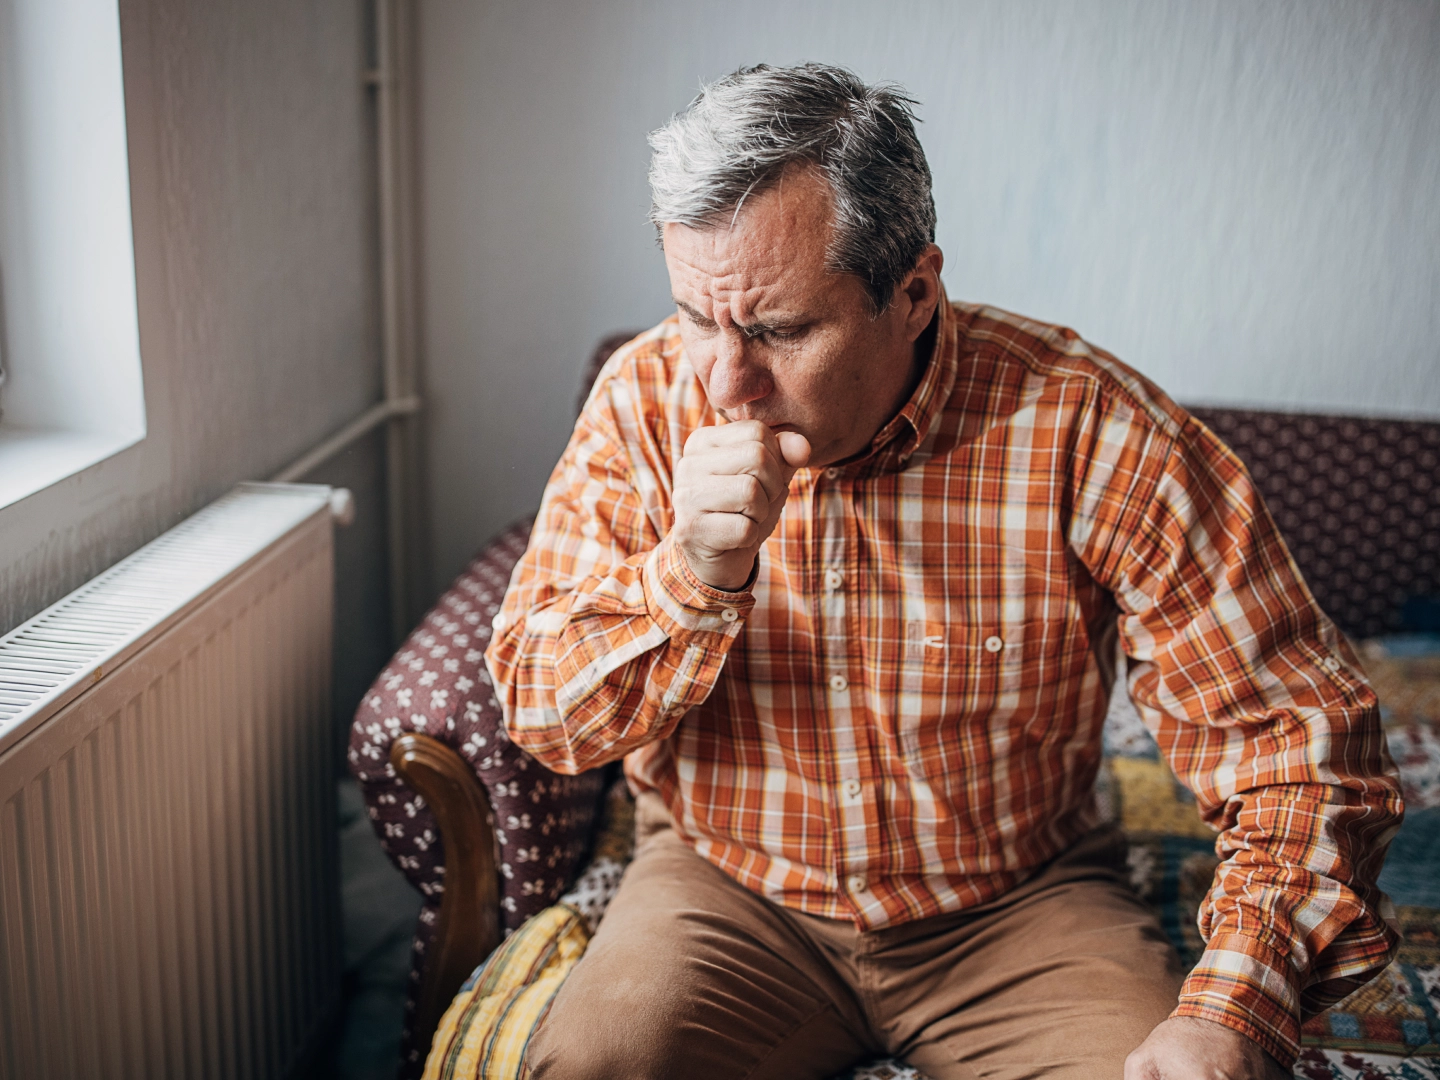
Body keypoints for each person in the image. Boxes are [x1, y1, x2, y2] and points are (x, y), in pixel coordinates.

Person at [485, 63, 1401, 1080]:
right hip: (725, 890)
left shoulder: (1092, 428)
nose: (723, 383)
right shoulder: (642, 404)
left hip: (1015, 907)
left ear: (913, 291)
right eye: (699, 318)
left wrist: (1236, 1006)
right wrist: (690, 574)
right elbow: (543, 714)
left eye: (780, 330)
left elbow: (1298, 738)